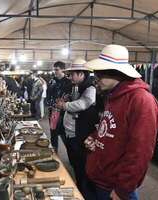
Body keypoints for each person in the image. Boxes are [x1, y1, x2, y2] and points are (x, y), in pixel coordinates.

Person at [84, 44, 158, 200]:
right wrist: (95, 137)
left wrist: (123, 189)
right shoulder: (112, 95)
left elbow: (140, 152)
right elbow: (111, 128)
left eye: (99, 74)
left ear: (116, 73)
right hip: (101, 178)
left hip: (115, 186)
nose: (96, 80)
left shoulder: (141, 100)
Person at [55, 58, 100, 197]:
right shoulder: (75, 86)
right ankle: (80, 188)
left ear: (82, 74)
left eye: (74, 73)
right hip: (71, 133)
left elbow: (83, 104)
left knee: (82, 167)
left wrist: (65, 105)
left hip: (80, 134)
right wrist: (66, 100)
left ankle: (85, 193)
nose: (71, 76)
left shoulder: (90, 88)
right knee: (75, 164)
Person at [46, 61, 72, 152]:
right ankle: (55, 154)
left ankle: (71, 155)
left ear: (63, 70)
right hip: (53, 112)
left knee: (64, 134)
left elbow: (70, 97)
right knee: (53, 133)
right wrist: (49, 104)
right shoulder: (52, 81)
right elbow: (48, 94)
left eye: (57, 70)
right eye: (54, 70)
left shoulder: (69, 82)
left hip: (64, 113)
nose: (55, 72)